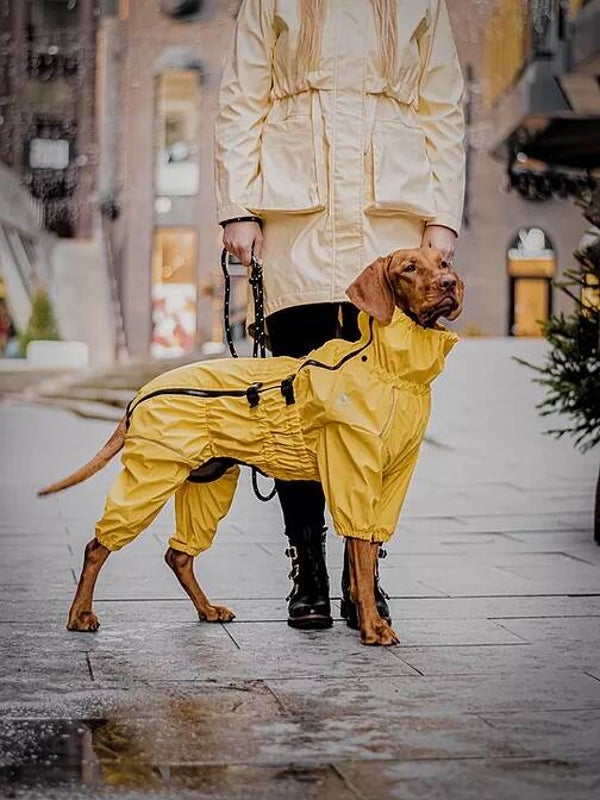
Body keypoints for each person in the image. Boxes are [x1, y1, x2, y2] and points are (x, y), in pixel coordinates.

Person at [214, 0, 465, 629]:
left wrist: (441, 221)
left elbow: (444, 107)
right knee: (303, 412)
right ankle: (309, 566)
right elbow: (243, 98)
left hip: (392, 233)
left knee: (379, 421)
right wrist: (238, 206)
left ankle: (366, 575)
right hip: (301, 230)